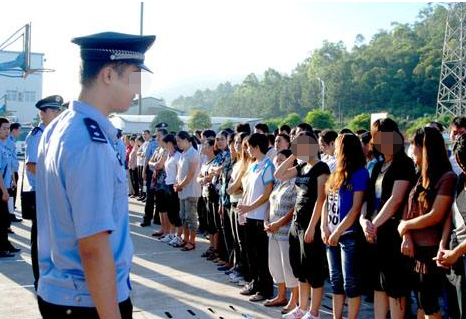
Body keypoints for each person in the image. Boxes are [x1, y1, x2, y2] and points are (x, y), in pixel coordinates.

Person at [35, 31, 155, 319]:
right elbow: (93, 247)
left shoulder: (61, 125)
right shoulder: (91, 142)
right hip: (87, 300)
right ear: (108, 74)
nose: (137, 90)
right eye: (135, 78)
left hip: (62, 292)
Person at [397, 127, 457, 319]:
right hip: (412, 247)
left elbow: (437, 214)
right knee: (421, 301)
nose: (411, 150)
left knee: (430, 303)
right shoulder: (418, 175)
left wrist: (406, 226)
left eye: (414, 146)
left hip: (430, 248)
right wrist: (405, 234)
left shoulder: (447, 177)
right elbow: (406, 208)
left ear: (425, 148)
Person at [360, 118, 416, 319]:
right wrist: (364, 221)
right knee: (378, 286)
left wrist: (373, 225)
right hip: (374, 234)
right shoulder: (377, 166)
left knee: (395, 287)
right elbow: (366, 198)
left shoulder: (404, 164)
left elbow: (396, 200)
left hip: (393, 233)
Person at [275, 131, 330, 319]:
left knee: (313, 269)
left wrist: (313, 226)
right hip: (296, 223)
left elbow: (321, 199)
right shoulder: (302, 166)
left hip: (310, 223)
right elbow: (279, 174)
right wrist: (292, 154)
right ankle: (302, 307)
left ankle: (314, 312)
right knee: (299, 268)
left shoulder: (321, 168)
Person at [322, 133, 369, 319]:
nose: (335, 148)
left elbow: (356, 208)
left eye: (338, 145)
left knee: (351, 282)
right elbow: (326, 200)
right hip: (331, 233)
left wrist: (338, 232)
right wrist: (323, 226)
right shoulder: (336, 172)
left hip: (348, 234)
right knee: (335, 281)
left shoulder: (360, 173)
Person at [24, 94, 63, 290]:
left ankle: (51, 275)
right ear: (43, 113)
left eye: (59, 110)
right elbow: (32, 165)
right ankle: (40, 278)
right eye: (54, 110)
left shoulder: (54, 134)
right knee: (40, 238)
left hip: (51, 194)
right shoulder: (37, 135)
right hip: (40, 193)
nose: (58, 114)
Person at [238, 133, 275, 302]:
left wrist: (250, 207)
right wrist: (244, 210)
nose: (247, 151)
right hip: (250, 216)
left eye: (249, 147)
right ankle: (255, 283)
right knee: (250, 254)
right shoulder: (254, 165)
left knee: (261, 256)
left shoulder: (268, 166)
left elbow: (267, 194)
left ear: (256, 147)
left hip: (260, 217)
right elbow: (248, 190)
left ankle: (265, 289)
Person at [264, 149, 299, 313]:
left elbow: (294, 208)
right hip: (272, 230)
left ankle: (294, 300)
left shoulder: (296, 182)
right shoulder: (279, 182)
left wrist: (278, 223)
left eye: (281, 160)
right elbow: (270, 203)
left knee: (288, 267)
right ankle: (281, 295)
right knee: (276, 265)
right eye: (276, 161)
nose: (278, 163)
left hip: (285, 231)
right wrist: (266, 221)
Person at [436, 132, 466, 319]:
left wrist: (456, 253)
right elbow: (450, 215)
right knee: (453, 310)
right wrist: (443, 245)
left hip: (459, 254)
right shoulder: (460, 179)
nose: (461, 166)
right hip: (453, 256)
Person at [174, 131, 201, 251]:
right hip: (182, 191)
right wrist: (177, 183)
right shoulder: (183, 153)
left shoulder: (193, 153)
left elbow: (191, 173)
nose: (178, 143)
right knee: (183, 217)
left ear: (186, 140)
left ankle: (192, 241)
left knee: (191, 218)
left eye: (179, 141)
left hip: (191, 191)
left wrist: (181, 185)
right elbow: (179, 171)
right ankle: (185, 239)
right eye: (177, 141)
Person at [0, 117, 19, 258]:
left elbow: (9, 165)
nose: (7, 132)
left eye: (8, 128)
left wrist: (12, 180)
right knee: (1, 219)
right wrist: (4, 190)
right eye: (4, 129)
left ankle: (5, 244)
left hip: (5, 185)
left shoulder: (4, 146)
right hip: (1, 188)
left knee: (5, 219)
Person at [7, 122, 21, 221]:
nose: (19, 133)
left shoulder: (11, 140)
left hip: (13, 171)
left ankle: (10, 214)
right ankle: (10, 216)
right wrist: (12, 177)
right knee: (11, 194)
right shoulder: (9, 141)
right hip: (11, 172)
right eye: (19, 130)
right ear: (14, 130)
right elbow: (9, 160)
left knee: (13, 194)